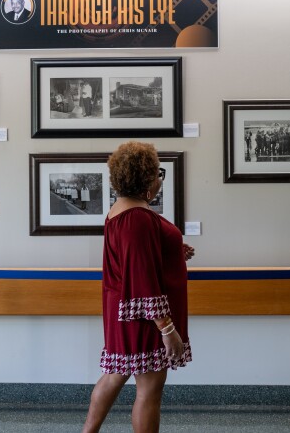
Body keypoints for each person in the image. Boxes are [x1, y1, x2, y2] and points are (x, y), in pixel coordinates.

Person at [83, 141, 195, 433]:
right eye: (158, 174)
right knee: (149, 388)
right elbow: (143, 279)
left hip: (126, 311)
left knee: (114, 376)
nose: (160, 179)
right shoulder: (138, 219)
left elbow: (135, 257)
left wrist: (170, 249)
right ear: (146, 180)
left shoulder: (122, 211)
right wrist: (168, 330)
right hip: (145, 318)